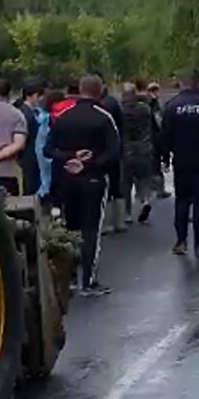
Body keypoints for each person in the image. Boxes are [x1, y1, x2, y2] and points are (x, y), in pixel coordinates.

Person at [44, 74, 120, 296]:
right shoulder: (104, 117)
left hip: (67, 178)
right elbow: (114, 152)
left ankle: (67, 278)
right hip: (93, 178)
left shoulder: (63, 117)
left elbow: (48, 149)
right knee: (91, 229)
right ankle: (87, 280)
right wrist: (89, 162)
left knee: (70, 228)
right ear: (101, 90)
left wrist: (69, 157)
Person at [161, 69, 199, 258]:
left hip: (181, 161)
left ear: (181, 83)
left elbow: (165, 136)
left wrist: (165, 157)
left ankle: (181, 241)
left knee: (181, 201)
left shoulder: (172, 107)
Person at [120, 81, 155, 225]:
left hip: (126, 149)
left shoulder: (120, 111)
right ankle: (145, 201)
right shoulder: (145, 109)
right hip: (144, 147)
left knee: (126, 183)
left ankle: (127, 213)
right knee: (144, 179)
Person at [99, 77, 127, 234]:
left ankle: (108, 223)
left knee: (106, 187)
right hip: (116, 149)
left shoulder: (101, 105)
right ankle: (120, 221)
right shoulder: (113, 102)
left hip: (103, 151)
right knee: (117, 185)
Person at [14, 78, 45, 196]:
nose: (41, 99)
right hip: (29, 154)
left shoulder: (35, 111)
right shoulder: (24, 113)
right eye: (38, 96)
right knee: (30, 184)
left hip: (35, 154)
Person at [146, 81, 170, 200]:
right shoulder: (154, 105)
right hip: (155, 138)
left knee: (153, 163)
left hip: (148, 137)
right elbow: (159, 121)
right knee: (156, 164)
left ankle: (153, 187)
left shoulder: (145, 104)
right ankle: (159, 189)